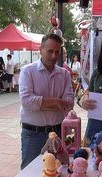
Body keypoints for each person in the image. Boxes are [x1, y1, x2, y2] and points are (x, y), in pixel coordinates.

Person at [19, 33, 74, 169]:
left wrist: (40, 104)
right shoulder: (28, 71)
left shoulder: (64, 74)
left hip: (58, 133)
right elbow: (26, 101)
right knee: (30, 173)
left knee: (59, 172)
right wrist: (56, 102)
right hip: (33, 135)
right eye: (50, 51)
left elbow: (69, 103)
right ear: (40, 49)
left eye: (57, 52)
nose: (54, 56)